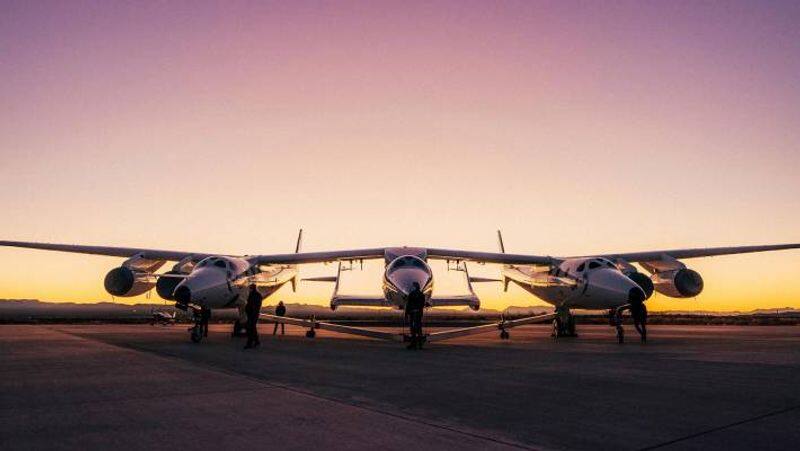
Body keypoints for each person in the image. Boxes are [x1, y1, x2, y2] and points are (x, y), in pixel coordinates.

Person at [405, 282, 426, 350]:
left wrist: (406, 314)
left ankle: (413, 344)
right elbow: (422, 304)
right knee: (419, 329)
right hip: (418, 313)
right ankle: (420, 345)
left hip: (412, 313)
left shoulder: (411, 294)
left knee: (413, 329)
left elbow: (408, 305)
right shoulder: (421, 294)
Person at [244, 284, 263, 349]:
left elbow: (254, 305)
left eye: (250, 288)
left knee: (250, 329)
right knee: (253, 328)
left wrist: (251, 311)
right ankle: (257, 341)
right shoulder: (255, 294)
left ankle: (249, 343)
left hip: (253, 314)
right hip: (252, 314)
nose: (249, 289)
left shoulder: (255, 295)